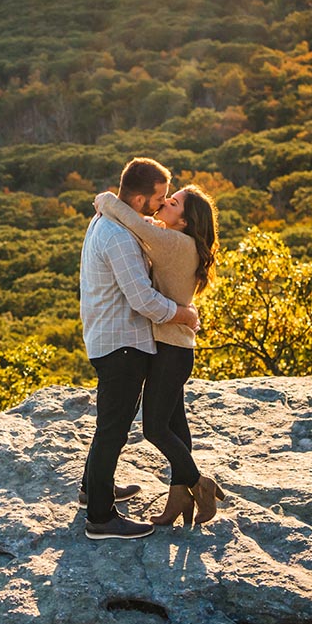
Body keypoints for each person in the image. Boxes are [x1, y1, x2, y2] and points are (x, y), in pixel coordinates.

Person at [79, 157, 200, 540]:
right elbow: (144, 301)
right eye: (159, 197)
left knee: (109, 426)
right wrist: (183, 314)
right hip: (122, 345)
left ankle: (92, 488)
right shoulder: (117, 237)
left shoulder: (108, 222)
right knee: (113, 429)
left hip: (112, 340)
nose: (161, 205)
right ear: (139, 199)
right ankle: (101, 517)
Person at [94, 183, 225, 525]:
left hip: (170, 351)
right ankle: (179, 495)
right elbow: (148, 226)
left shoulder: (175, 244)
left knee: (154, 427)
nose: (165, 203)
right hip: (174, 348)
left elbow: (132, 220)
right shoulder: (182, 242)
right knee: (175, 423)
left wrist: (105, 199)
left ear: (183, 222)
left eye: (173, 202)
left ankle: (199, 482)